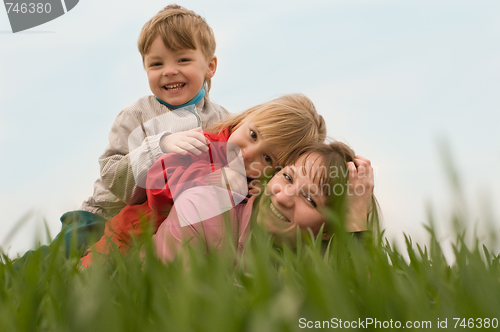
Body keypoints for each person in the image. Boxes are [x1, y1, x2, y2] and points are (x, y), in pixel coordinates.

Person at [80, 94, 327, 267]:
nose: (247, 153)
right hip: (126, 238)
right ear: (246, 118)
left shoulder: (252, 183)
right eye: (253, 134)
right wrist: (211, 180)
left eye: (267, 157)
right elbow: (157, 184)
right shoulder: (203, 143)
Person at [59, 4, 231, 253]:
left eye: (183, 59)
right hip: (105, 214)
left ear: (210, 66)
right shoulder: (136, 116)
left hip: (162, 222)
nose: (170, 71)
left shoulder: (222, 120)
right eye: (156, 64)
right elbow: (112, 175)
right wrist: (158, 147)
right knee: (62, 260)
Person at [150, 141, 376, 263]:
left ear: (328, 230)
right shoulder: (202, 209)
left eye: (309, 199)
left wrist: (356, 222)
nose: (283, 197)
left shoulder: (319, 269)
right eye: (287, 177)